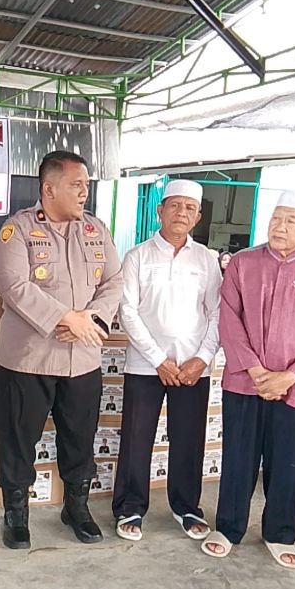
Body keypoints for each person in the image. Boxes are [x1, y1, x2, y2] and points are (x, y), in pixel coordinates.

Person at [0, 150, 123, 549]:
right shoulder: (17, 230)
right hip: (28, 359)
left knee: (80, 437)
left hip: (81, 359)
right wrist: (69, 318)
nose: (84, 192)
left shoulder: (96, 230)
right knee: (18, 438)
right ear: (49, 189)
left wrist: (93, 319)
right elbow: (14, 286)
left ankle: (76, 507)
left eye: (86, 185)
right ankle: (16, 513)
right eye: (75, 185)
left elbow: (114, 281)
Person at [201, 190, 295, 569]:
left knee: (288, 462)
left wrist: (290, 376)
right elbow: (229, 317)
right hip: (246, 382)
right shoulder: (243, 263)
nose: (280, 226)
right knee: (239, 458)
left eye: (291, 220)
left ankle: (280, 532)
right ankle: (228, 528)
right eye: (276, 218)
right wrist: (257, 370)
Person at [112, 179, 221, 543]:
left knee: (189, 439)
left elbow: (219, 312)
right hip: (146, 365)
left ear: (198, 217)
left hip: (192, 368)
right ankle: (130, 506)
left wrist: (202, 359)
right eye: (174, 206)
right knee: (137, 439)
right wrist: (159, 359)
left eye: (189, 208)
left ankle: (186, 506)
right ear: (160, 211)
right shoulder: (138, 256)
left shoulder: (207, 260)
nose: (181, 213)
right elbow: (127, 310)